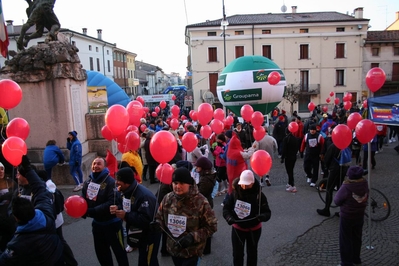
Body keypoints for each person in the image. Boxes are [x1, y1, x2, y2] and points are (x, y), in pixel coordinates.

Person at [0, 156, 64, 265]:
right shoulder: (47, 216)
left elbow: (4, 260)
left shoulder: (16, 244)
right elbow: (40, 189)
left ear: (16, 218)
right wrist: (28, 169)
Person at [154, 167, 217, 266]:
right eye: (175, 183)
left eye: (182, 183)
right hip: (173, 249)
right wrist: (157, 225)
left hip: (192, 252)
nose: (178, 186)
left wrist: (192, 237)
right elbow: (159, 217)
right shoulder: (167, 198)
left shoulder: (201, 202)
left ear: (189, 184)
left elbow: (212, 226)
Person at [82, 157, 129, 266]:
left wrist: (92, 211)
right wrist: (82, 210)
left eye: (99, 164)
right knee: (102, 254)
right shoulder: (88, 182)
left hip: (113, 224)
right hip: (97, 225)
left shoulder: (111, 182)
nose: (96, 166)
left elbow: (110, 203)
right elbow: (83, 199)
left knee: (119, 252)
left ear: (104, 167)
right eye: (94, 164)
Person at [110, 167, 161, 266]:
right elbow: (125, 205)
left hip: (150, 234)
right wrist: (118, 207)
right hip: (138, 233)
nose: (116, 183)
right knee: (144, 260)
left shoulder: (144, 195)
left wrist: (126, 215)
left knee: (148, 261)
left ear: (126, 182)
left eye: (119, 180)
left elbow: (147, 219)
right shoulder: (125, 191)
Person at [223, 170, 271, 266]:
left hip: (254, 230)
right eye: (243, 184)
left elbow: (267, 212)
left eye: (247, 185)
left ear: (252, 183)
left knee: (252, 254)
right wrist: (229, 218)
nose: (244, 187)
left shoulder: (260, 195)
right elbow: (226, 209)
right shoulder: (234, 193)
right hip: (238, 229)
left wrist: (263, 217)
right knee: (237, 255)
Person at [334, 166, 368, 266]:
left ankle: (346, 262)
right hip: (360, 214)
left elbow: (337, 200)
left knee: (345, 240)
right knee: (357, 238)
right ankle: (356, 258)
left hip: (347, 216)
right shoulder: (364, 183)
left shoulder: (347, 186)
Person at [316, 143, 349, 217]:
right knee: (341, 189)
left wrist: (326, 167)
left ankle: (326, 209)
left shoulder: (333, 146)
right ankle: (342, 210)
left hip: (334, 169)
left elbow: (327, 158)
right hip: (343, 169)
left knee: (329, 189)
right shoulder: (345, 145)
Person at [195, 157, 217, 255]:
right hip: (208, 201)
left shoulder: (206, 179)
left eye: (198, 167)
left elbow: (201, 192)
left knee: (205, 225)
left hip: (205, 203)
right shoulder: (205, 176)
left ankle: (206, 249)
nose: (196, 169)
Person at [0, 162, 17, 251]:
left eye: (2, 169)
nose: (0, 171)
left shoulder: (10, 182)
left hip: (9, 216)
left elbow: (17, 192)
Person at [281, 128, 300, 192]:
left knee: (289, 171)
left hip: (288, 157)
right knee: (291, 170)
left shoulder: (286, 139)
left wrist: (282, 158)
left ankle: (292, 185)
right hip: (294, 157)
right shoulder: (295, 139)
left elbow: (284, 149)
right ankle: (290, 183)